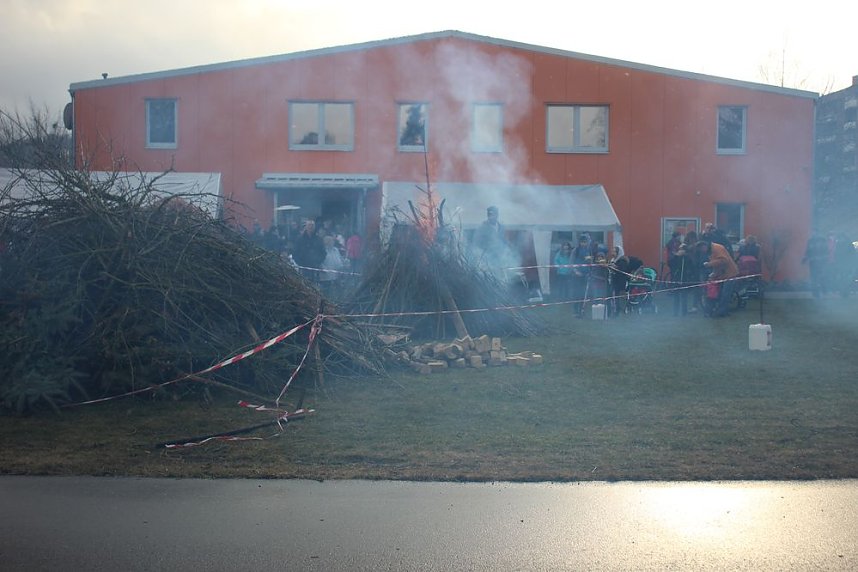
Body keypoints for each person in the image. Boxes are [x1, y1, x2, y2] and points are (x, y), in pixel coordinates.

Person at [696, 239, 739, 317]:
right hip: (723, 274)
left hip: (730, 273)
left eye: (701, 250)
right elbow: (718, 265)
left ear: (704, 246)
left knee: (725, 294)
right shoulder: (711, 250)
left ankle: (721, 312)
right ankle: (720, 310)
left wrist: (710, 264)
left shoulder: (717, 248)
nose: (702, 252)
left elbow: (724, 260)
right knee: (720, 293)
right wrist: (713, 274)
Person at [473, 205, 509, 279]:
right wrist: (486, 250)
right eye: (490, 215)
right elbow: (477, 243)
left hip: (499, 257)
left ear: (497, 215)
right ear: (488, 215)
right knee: (489, 276)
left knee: (501, 276)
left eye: (494, 214)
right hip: (487, 258)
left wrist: (506, 246)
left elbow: (503, 240)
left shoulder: (501, 227)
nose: (492, 217)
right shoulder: (482, 228)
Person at [802, 231, 829, 298]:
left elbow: (826, 251)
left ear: (818, 233)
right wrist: (805, 259)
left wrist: (824, 260)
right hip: (813, 262)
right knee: (814, 278)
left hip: (821, 263)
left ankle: (824, 289)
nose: (814, 234)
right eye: (813, 233)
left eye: (815, 233)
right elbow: (808, 251)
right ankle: (815, 293)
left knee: (821, 277)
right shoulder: (810, 241)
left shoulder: (822, 240)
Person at [570, 234, 592, 316]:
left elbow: (589, 263)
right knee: (576, 294)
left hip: (585, 276)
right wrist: (575, 271)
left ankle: (581, 310)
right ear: (580, 242)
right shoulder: (575, 250)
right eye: (582, 242)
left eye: (585, 242)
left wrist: (589, 263)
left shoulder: (588, 250)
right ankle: (575, 311)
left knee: (583, 294)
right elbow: (571, 263)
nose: (584, 244)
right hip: (576, 276)